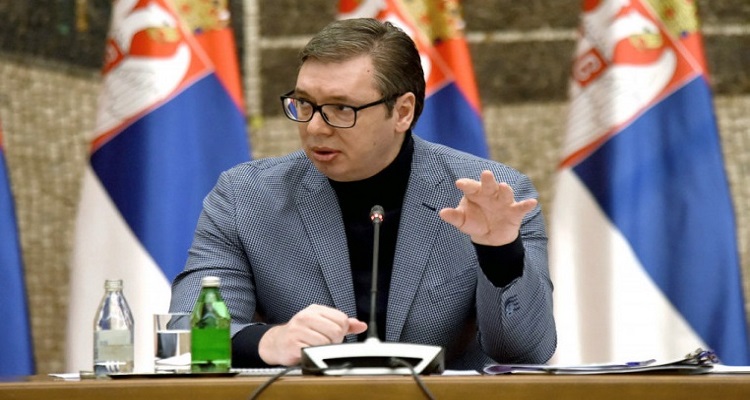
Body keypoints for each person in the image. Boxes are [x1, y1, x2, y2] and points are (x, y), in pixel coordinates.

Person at [169, 17, 556, 371]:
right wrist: (269, 341)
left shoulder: (492, 198)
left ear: (402, 112)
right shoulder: (245, 198)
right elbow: (184, 337)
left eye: (341, 108)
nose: (315, 128)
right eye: (304, 104)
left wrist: (499, 252)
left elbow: (526, 352)